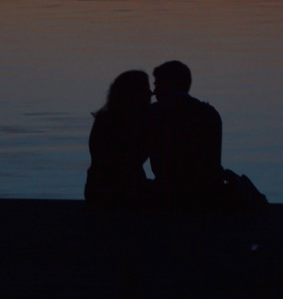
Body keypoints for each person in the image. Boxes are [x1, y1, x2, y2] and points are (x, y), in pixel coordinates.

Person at [148, 60, 224, 207]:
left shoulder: (154, 113)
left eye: (157, 85)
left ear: (168, 84)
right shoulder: (210, 114)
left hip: (169, 194)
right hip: (208, 194)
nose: (154, 92)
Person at [84, 70, 152, 207]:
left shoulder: (104, 119)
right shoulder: (137, 123)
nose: (151, 93)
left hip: (96, 187)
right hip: (126, 190)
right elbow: (132, 161)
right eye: (146, 89)